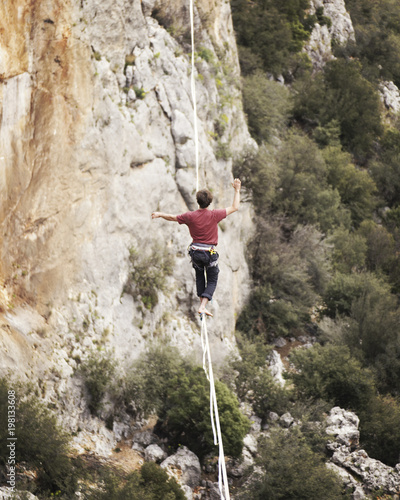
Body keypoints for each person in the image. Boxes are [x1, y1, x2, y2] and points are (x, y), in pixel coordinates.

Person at [151, 178, 241, 317]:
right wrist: (237, 190)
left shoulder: (190, 216)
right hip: (209, 253)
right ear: (210, 202)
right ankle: (203, 306)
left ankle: (202, 305)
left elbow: (172, 217)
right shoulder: (214, 215)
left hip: (196, 252)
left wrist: (159, 214)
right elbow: (235, 207)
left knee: (200, 277)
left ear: (197, 201)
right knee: (212, 279)